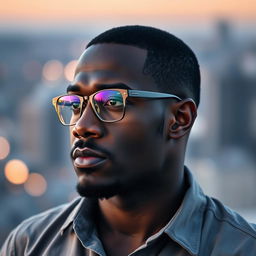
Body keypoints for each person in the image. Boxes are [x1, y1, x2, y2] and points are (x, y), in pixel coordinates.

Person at [1, 25, 256, 256]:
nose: (81, 126)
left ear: (179, 119)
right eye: (76, 105)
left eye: (112, 102)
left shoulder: (242, 248)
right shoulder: (29, 245)